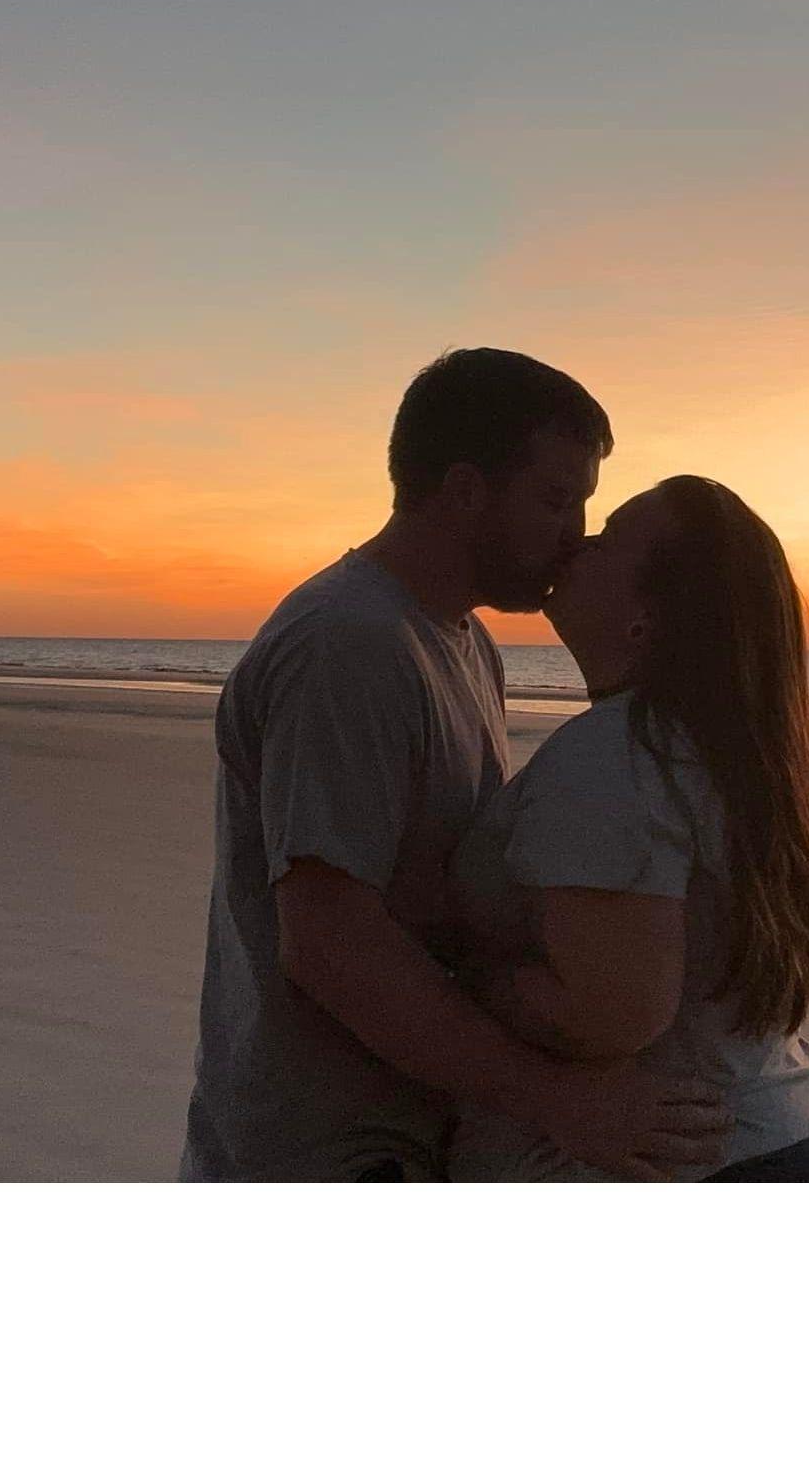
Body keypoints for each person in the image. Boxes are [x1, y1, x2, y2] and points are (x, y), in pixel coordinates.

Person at [180, 348, 732, 1182]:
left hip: (413, 1130)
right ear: (466, 491)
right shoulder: (348, 643)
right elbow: (330, 941)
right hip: (324, 1151)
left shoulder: (466, 645)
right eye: (554, 501)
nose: (573, 538)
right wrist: (556, 1097)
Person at [443, 474, 809, 1182]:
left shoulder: (618, 758)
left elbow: (608, 1013)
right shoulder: (729, 756)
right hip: (787, 1133)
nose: (578, 542)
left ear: (648, 616)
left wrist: (465, 977)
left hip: (697, 1165)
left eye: (608, 539)